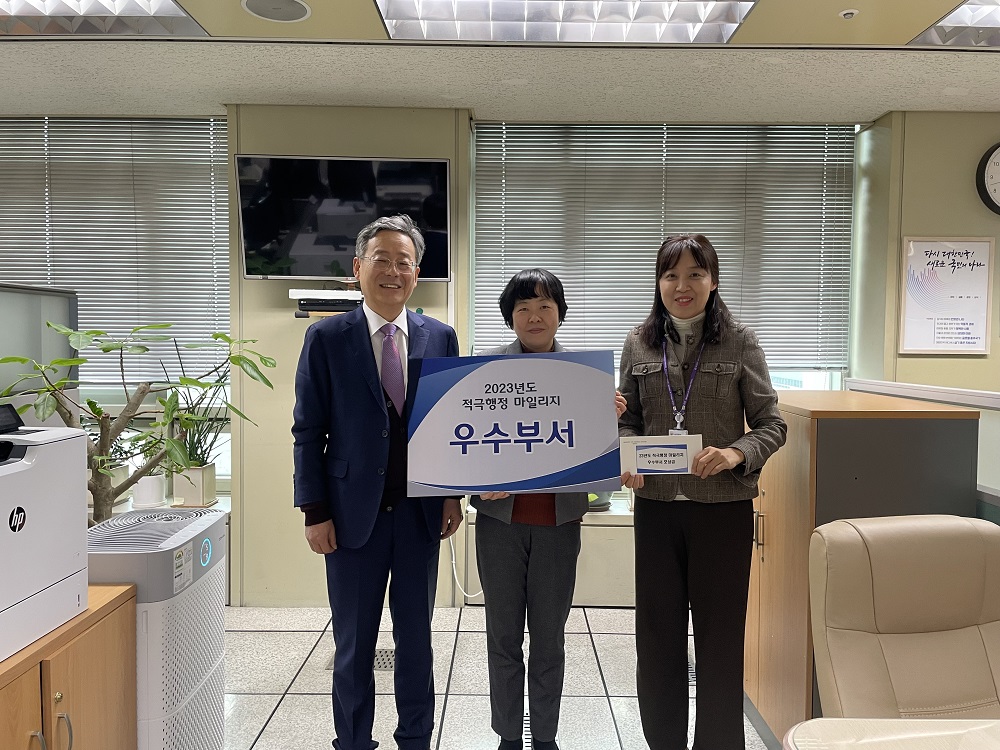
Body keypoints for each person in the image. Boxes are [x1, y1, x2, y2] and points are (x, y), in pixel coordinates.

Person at [292, 214, 464, 750]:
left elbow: (451, 425)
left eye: (404, 262)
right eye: (381, 260)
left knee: (417, 642)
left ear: (417, 273)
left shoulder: (441, 337)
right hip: (349, 518)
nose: (393, 271)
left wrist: (451, 496)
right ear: (358, 268)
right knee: (353, 645)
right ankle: (353, 741)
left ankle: (415, 739)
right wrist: (314, 510)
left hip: (419, 516)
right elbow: (308, 430)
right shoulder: (326, 337)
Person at [618, 235, 786, 750]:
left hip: (722, 510)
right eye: (671, 275)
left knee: (720, 640)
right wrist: (627, 456)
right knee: (657, 637)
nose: (682, 285)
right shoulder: (638, 343)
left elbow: (772, 425)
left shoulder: (740, 342)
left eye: (695, 273)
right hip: (656, 508)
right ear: (658, 282)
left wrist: (735, 453)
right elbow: (629, 421)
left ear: (713, 281)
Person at [471, 269, 627, 750]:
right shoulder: (481, 371)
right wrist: (477, 486)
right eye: (523, 308)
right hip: (499, 525)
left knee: (549, 639)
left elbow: (598, 454)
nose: (534, 316)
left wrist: (609, 419)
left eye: (545, 306)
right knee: (502, 638)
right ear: (510, 317)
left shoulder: (586, 377)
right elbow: (465, 446)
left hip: (560, 525)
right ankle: (507, 736)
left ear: (560, 313)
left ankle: (544, 736)